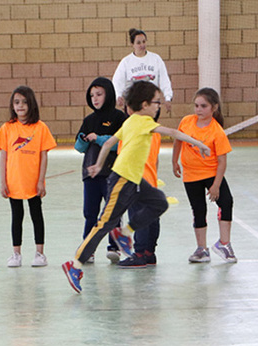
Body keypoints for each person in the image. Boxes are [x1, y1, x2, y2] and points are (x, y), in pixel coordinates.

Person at [62, 81, 210, 294]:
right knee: (103, 223)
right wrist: (200, 144)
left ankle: (124, 232)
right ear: (144, 104)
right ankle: (74, 265)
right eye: (156, 102)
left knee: (159, 203)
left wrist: (98, 164)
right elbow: (173, 132)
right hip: (122, 179)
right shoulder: (142, 121)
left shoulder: (130, 121)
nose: (159, 106)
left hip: (135, 180)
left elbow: (106, 144)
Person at [0, 85, 57, 268]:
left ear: (31, 104)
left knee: (37, 215)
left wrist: (41, 180)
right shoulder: (7, 128)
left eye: (24, 102)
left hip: (33, 183)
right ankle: (16, 254)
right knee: (16, 217)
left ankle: (40, 253)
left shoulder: (41, 128)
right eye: (16, 102)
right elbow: (4, 155)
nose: (20, 106)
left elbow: (44, 155)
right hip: (14, 183)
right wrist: (3, 181)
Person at [173, 87, 237, 264]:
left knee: (226, 202)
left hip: (211, 173)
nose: (199, 110)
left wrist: (216, 185)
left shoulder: (217, 131)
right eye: (196, 106)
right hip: (191, 175)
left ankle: (224, 244)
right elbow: (178, 140)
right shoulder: (186, 122)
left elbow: (222, 161)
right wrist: (174, 161)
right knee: (198, 210)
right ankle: (202, 249)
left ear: (214, 107)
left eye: (203, 106)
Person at [75, 77, 126, 264]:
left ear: (109, 94)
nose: (95, 99)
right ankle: (88, 247)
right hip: (90, 173)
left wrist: (99, 138)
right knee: (90, 212)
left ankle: (114, 246)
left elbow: (120, 143)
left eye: (99, 94)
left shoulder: (119, 118)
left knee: (113, 211)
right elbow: (79, 148)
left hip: (112, 172)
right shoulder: (89, 120)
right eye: (92, 95)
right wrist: (82, 139)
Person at [117, 129, 163, 268]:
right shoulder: (155, 132)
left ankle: (139, 254)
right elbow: (155, 160)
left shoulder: (129, 131)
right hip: (150, 179)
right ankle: (150, 253)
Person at [112, 28, 173, 115]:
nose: (142, 45)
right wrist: (118, 95)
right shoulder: (126, 62)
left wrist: (168, 97)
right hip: (134, 104)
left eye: (144, 42)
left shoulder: (156, 59)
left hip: (151, 102)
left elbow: (164, 79)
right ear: (132, 44)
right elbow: (117, 81)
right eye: (138, 43)